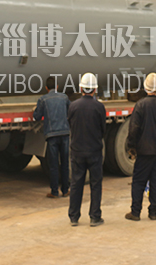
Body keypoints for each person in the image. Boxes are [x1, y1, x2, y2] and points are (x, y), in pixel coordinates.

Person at [125, 73, 156, 222]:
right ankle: (153, 212)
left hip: (144, 150)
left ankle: (135, 212)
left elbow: (134, 128)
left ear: (145, 88)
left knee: (139, 181)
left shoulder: (140, 105)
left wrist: (131, 146)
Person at [67, 73, 106, 227]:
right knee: (96, 184)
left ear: (81, 88)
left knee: (76, 183)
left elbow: (70, 124)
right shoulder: (99, 107)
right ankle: (95, 217)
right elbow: (103, 129)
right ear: (95, 89)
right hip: (94, 150)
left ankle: (74, 216)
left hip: (77, 150)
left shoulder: (73, 106)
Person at [33, 76, 70, 198]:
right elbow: (70, 111)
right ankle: (65, 190)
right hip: (64, 134)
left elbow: (37, 117)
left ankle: (54, 192)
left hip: (52, 135)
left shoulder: (43, 100)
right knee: (65, 164)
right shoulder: (64, 97)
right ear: (57, 87)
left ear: (46, 88)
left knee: (53, 165)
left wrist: (35, 110)